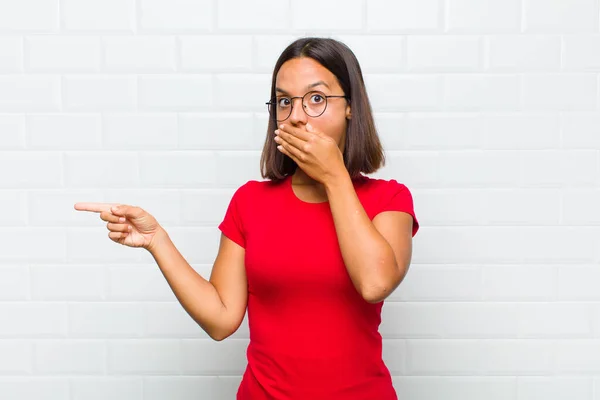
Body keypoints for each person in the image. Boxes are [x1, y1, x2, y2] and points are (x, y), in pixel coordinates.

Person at [75, 37, 419, 400]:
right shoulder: (250, 202)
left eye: (316, 98)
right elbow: (221, 319)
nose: (297, 115)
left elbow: (374, 283)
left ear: (351, 106)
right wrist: (156, 240)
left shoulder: (389, 199)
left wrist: (333, 176)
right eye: (285, 101)